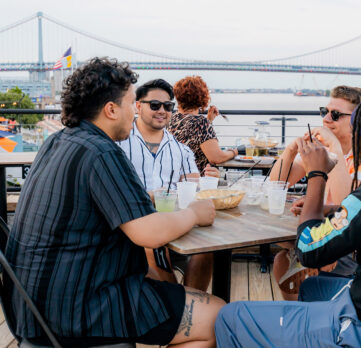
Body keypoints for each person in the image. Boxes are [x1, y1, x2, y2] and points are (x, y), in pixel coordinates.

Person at [5, 57, 225, 348]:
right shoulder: (102, 152)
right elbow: (148, 233)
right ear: (111, 109)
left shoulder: (59, 141)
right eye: (131, 103)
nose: (134, 112)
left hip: (32, 305)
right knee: (218, 317)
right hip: (79, 308)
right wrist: (195, 213)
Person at [215, 90, 361, 348]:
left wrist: (317, 175)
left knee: (229, 317)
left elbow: (309, 249)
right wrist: (333, 208)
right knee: (311, 288)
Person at [118, 78, 218, 291]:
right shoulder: (118, 146)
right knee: (152, 247)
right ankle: (179, 304)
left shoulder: (181, 150)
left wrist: (210, 178)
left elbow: (194, 189)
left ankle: (191, 300)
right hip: (134, 226)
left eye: (168, 106)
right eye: (154, 105)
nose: (162, 110)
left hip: (176, 221)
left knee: (207, 248)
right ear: (138, 106)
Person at [271, 86, 361, 300]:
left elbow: (347, 207)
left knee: (290, 259)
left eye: (335, 115)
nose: (326, 119)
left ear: (359, 120)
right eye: (324, 111)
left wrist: (334, 147)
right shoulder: (321, 151)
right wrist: (290, 151)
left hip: (351, 246)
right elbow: (276, 184)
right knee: (282, 260)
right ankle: (300, 314)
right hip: (320, 235)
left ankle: (311, 314)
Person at [168, 76, 238, 172]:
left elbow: (191, 137)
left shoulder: (171, 118)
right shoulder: (200, 122)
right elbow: (216, 158)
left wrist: (209, 120)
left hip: (176, 177)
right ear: (202, 97)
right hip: (197, 181)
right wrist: (234, 151)